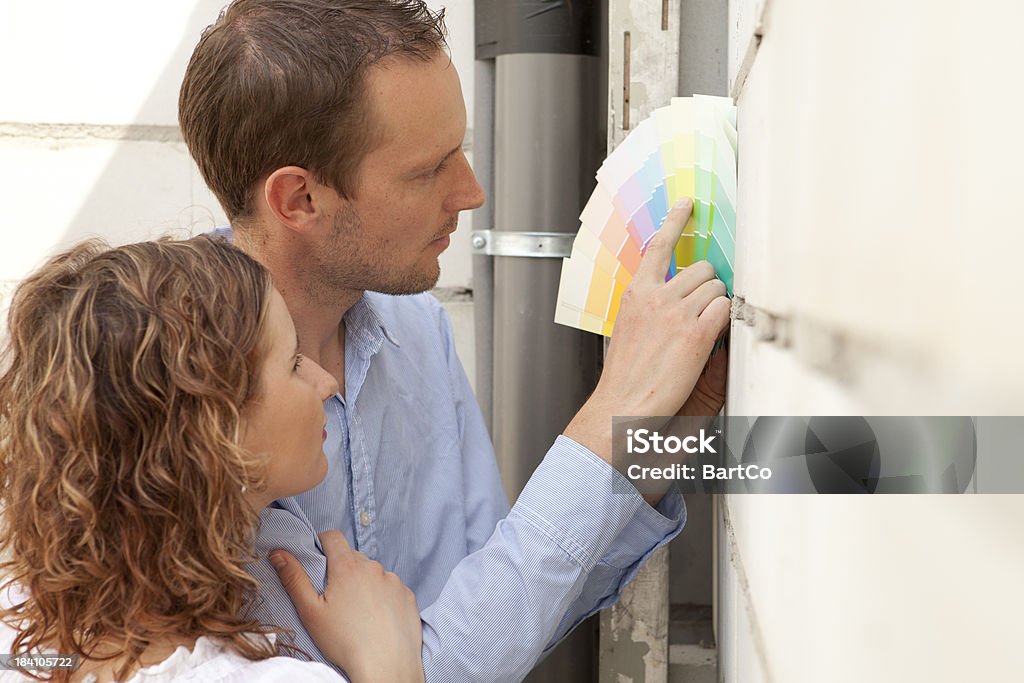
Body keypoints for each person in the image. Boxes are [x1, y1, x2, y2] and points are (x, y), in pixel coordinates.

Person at [178, 1, 731, 679]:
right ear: (298, 200)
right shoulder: (176, 383)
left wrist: (659, 434)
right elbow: (432, 667)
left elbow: (509, 605)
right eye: (426, 170)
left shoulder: (414, 326)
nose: (471, 193)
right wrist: (606, 414)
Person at [0, 237, 424, 683]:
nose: (327, 381)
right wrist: (388, 663)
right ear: (216, 434)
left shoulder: (24, 638)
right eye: (294, 361)